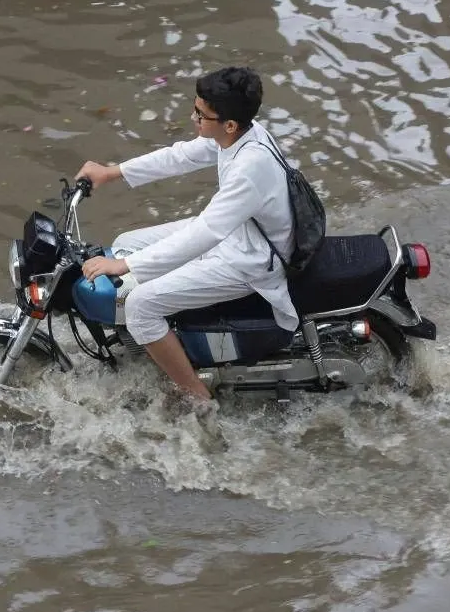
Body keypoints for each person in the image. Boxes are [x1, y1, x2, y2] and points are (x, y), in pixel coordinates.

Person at [74, 66, 298, 413]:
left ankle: (196, 396)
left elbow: (204, 233)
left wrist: (125, 265)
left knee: (141, 305)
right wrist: (112, 172)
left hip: (250, 258)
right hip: (238, 232)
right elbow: (181, 156)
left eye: (200, 114)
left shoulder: (249, 168)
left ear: (229, 124)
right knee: (127, 239)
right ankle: (158, 344)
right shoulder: (238, 135)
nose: (193, 118)